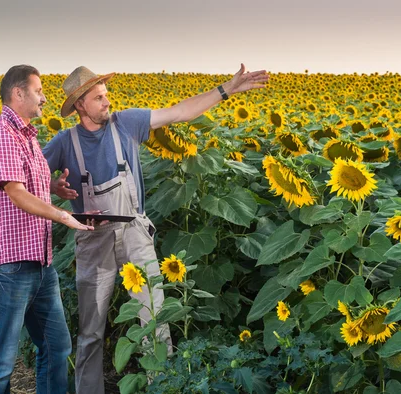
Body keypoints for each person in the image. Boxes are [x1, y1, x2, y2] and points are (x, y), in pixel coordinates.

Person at [42, 64, 269, 394]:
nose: (108, 102)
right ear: (80, 106)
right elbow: (28, 177)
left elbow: (179, 113)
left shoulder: (127, 123)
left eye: (106, 94)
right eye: (99, 97)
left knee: (155, 318)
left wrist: (226, 89)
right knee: (91, 329)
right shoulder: (65, 142)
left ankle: (162, 386)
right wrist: (53, 185)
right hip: (93, 240)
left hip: (135, 230)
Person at [0, 64, 94, 394]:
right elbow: (14, 191)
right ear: (18, 93)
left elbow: (25, 185)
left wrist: (51, 186)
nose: (44, 97)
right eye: (38, 90)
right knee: (1, 361)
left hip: (39, 262)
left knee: (56, 348)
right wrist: (62, 215)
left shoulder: (26, 137)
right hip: (9, 265)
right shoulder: (2, 133)